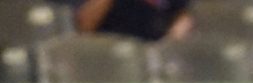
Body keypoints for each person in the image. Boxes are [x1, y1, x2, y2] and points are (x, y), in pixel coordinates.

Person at [62, 0, 192, 41]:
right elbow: (84, 27)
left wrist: (176, 35)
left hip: (155, 58)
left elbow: (181, 15)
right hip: (109, 58)